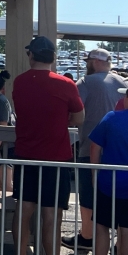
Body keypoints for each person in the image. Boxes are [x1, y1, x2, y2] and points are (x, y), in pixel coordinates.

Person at [12, 36, 84, 255]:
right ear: (53, 57)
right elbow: (79, 118)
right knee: (52, 214)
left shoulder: (20, 82)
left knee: (23, 208)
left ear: (31, 55)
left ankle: (20, 252)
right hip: (56, 157)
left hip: (25, 155)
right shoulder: (66, 84)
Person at [62, 48, 127, 251]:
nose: (87, 64)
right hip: (121, 157)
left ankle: (87, 236)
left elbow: (73, 110)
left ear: (96, 62)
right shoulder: (122, 83)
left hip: (91, 151)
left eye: (89, 60)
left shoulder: (84, 83)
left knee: (90, 200)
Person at [88, 86, 128, 255]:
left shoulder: (111, 118)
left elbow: (94, 148)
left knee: (101, 226)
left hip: (108, 182)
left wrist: (94, 175)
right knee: (126, 231)